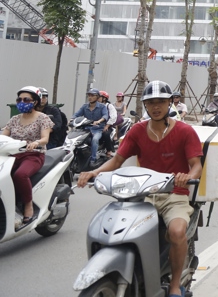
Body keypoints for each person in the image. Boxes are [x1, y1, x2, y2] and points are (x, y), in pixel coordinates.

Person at [77, 81, 202, 297]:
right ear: (145, 105)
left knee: (176, 231)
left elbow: (196, 165)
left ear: (169, 103)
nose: (156, 107)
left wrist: (187, 178)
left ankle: (174, 286)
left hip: (174, 194)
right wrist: (94, 173)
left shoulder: (184, 131)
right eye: (151, 102)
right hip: (141, 195)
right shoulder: (137, 131)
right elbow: (116, 161)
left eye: (161, 102)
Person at [2, 86, 54, 229]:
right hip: (12, 155)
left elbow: (45, 139)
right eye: (19, 99)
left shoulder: (43, 118)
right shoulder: (14, 119)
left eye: (26, 99)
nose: (21, 102)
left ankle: (28, 204)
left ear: (35, 102)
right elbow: (3, 135)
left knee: (20, 175)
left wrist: (36, 143)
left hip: (33, 155)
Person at [74, 89, 109, 166]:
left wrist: (99, 121)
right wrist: (71, 120)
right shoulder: (84, 106)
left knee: (95, 139)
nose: (90, 97)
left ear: (97, 97)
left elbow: (105, 116)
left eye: (92, 95)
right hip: (85, 129)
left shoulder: (102, 107)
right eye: (89, 95)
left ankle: (93, 160)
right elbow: (76, 114)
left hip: (97, 129)